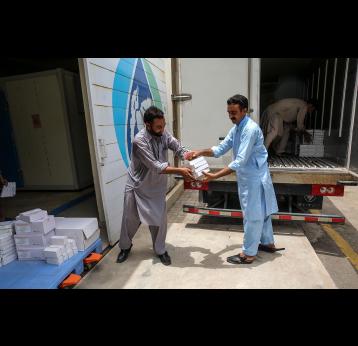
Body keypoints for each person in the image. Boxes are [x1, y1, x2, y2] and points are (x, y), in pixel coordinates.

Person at [186, 94, 284, 264]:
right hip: (250, 176)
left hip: (255, 178)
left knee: (253, 216)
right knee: (262, 212)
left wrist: (215, 176)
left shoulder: (250, 130)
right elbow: (220, 149)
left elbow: (239, 161)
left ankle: (248, 254)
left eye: (234, 112)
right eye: (229, 112)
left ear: (244, 111)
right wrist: (200, 152)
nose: (231, 116)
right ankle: (267, 243)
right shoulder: (237, 127)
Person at [117, 106, 194, 266]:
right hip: (137, 185)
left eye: (163, 125)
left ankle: (160, 250)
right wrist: (180, 170)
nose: (162, 129)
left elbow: (177, 146)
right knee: (129, 219)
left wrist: (190, 155)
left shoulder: (163, 133)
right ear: (147, 125)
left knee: (159, 220)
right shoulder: (139, 141)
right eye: (159, 126)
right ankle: (125, 247)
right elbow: (155, 166)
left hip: (156, 186)